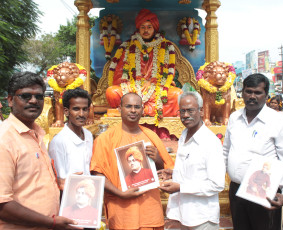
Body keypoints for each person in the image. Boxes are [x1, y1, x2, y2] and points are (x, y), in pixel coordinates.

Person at [0, 72, 79, 229]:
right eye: (25, 96)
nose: (33, 101)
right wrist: (52, 222)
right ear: (10, 100)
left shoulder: (36, 134)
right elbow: (2, 205)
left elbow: (30, 183)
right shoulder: (5, 139)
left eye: (39, 96)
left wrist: (62, 184)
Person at [90, 92, 174, 230]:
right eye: (128, 106)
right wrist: (120, 194)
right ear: (119, 109)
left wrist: (158, 159)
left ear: (142, 110)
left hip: (149, 209)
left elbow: (166, 171)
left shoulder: (151, 136)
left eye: (137, 107)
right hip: (122, 211)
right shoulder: (105, 139)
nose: (133, 110)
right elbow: (97, 173)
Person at [223, 73, 283, 230]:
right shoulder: (235, 118)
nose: (252, 96)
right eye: (248, 91)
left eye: (257, 92)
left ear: (266, 95)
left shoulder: (277, 121)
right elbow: (226, 151)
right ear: (242, 92)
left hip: (263, 191)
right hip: (236, 190)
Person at [158, 92, 225, 230]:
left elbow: (217, 184)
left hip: (202, 217)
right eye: (182, 111)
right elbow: (193, 171)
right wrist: (172, 174)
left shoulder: (210, 142)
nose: (185, 115)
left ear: (201, 111)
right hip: (183, 214)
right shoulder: (184, 135)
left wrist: (180, 187)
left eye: (190, 110)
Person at [106, 9, 182, 117]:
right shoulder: (128, 46)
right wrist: (131, 85)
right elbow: (119, 73)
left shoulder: (165, 46)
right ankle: (146, 110)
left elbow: (169, 73)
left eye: (149, 27)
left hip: (156, 88)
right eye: (143, 27)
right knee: (111, 92)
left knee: (177, 95)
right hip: (132, 89)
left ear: (154, 28)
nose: (146, 30)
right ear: (139, 28)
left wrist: (152, 82)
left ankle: (136, 111)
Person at [49, 88, 93, 190]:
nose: (81, 114)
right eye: (76, 109)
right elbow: (59, 180)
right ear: (66, 111)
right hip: (70, 196)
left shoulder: (88, 135)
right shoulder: (59, 141)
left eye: (85, 109)